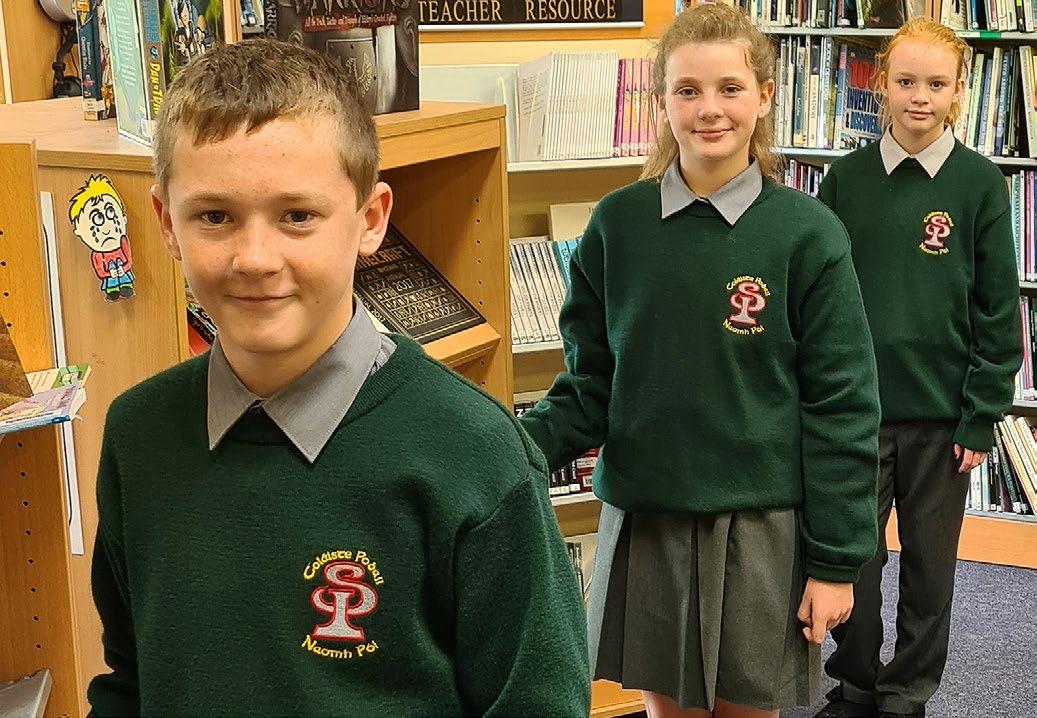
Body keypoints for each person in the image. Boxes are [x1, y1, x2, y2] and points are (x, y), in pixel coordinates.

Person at [87, 38, 589, 717]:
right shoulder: (137, 434)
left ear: (370, 220)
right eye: (214, 217)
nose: (254, 258)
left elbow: (538, 704)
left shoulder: (473, 453)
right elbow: (130, 682)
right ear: (166, 224)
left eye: (297, 216)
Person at [518, 4, 881, 717]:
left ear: (765, 97)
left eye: (729, 88)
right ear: (660, 103)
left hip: (761, 525)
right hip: (649, 516)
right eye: (687, 90)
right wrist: (503, 448)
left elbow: (842, 406)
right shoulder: (616, 225)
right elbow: (590, 385)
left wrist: (836, 562)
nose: (708, 108)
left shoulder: (807, 233)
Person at [815, 18, 1022, 718]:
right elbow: (817, 300)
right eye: (905, 81)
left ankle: (907, 692)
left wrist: (981, 413)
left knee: (930, 571)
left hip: (942, 421)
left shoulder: (979, 184)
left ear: (959, 90)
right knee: (852, 561)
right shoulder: (843, 182)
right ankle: (854, 683)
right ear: (881, 83)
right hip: (855, 416)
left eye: (936, 84)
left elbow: (998, 310)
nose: (919, 97)